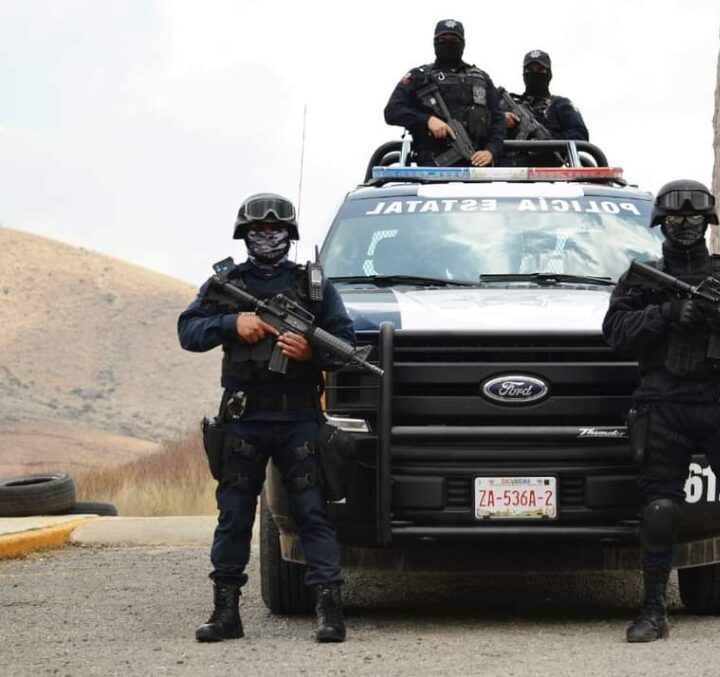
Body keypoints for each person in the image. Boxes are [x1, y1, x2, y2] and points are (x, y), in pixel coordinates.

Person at [602, 180, 720, 643]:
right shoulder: (644, 280)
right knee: (660, 507)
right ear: (661, 224)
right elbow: (617, 333)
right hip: (665, 407)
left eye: (693, 218)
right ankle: (653, 611)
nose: (685, 226)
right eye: (676, 219)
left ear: (707, 223)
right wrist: (668, 315)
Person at [178, 193, 353, 644]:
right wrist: (231, 324)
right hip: (244, 416)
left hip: (298, 417)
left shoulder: (312, 285)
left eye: (275, 231)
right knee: (234, 514)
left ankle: (329, 611)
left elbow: (345, 346)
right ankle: (225, 612)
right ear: (245, 235)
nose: (267, 238)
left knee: (312, 512)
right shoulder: (226, 284)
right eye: (259, 231)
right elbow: (188, 331)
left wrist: (310, 352)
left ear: (289, 235)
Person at [383, 19, 504, 167]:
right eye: (443, 40)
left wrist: (491, 151)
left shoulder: (481, 78)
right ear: (435, 43)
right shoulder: (420, 76)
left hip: (477, 166)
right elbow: (392, 111)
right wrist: (428, 120)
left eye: (454, 40)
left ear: (462, 43)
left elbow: (498, 119)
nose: (448, 44)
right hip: (431, 168)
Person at [500, 49, 589, 166]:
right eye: (529, 70)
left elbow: (580, 135)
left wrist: (547, 143)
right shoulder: (509, 104)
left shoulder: (560, 104)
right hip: (505, 171)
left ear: (549, 74)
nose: (534, 74)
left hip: (546, 172)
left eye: (540, 70)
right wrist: (501, 119)